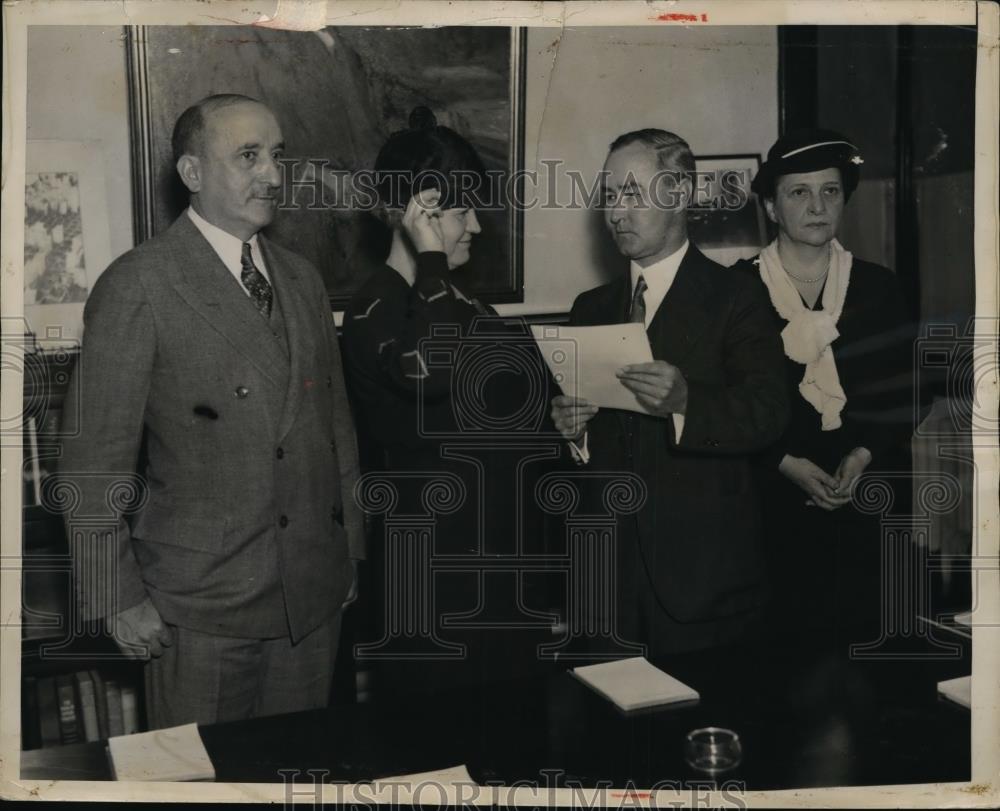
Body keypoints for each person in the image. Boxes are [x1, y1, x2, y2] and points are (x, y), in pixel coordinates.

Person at [60, 94, 364, 728]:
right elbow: (92, 461)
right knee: (201, 786)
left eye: (277, 155)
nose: (273, 175)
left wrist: (347, 551)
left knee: (297, 778)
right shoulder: (139, 282)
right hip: (198, 605)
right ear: (192, 173)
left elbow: (336, 430)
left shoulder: (302, 278)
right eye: (248, 156)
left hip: (310, 595)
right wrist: (118, 599)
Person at [550, 129, 788, 656]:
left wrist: (687, 403)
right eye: (609, 197)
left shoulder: (737, 295)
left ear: (680, 194)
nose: (616, 213)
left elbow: (770, 412)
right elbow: (584, 446)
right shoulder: (589, 307)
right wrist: (572, 432)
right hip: (604, 588)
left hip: (701, 586)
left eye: (632, 193)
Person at [342, 107, 554, 693]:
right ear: (422, 214)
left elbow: (528, 408)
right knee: (441, 756)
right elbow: (430, 372)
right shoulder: (373, 307)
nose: (477, 228)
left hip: (507, 570)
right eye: (462, 211)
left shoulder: (464, 303)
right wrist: (430, 257)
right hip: (435, 584)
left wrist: (558, 418)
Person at [735, 129, 917, 634]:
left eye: (830, 191)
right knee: (783, 660)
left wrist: (862, 456)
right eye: (799, 192)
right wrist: (784, 462)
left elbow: (907, 392)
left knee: (871, 655)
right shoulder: (736, 290)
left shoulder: (880, 287)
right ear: (772, 208)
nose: (817, 205)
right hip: (771, 506)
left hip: (867, 500)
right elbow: (721, 405)